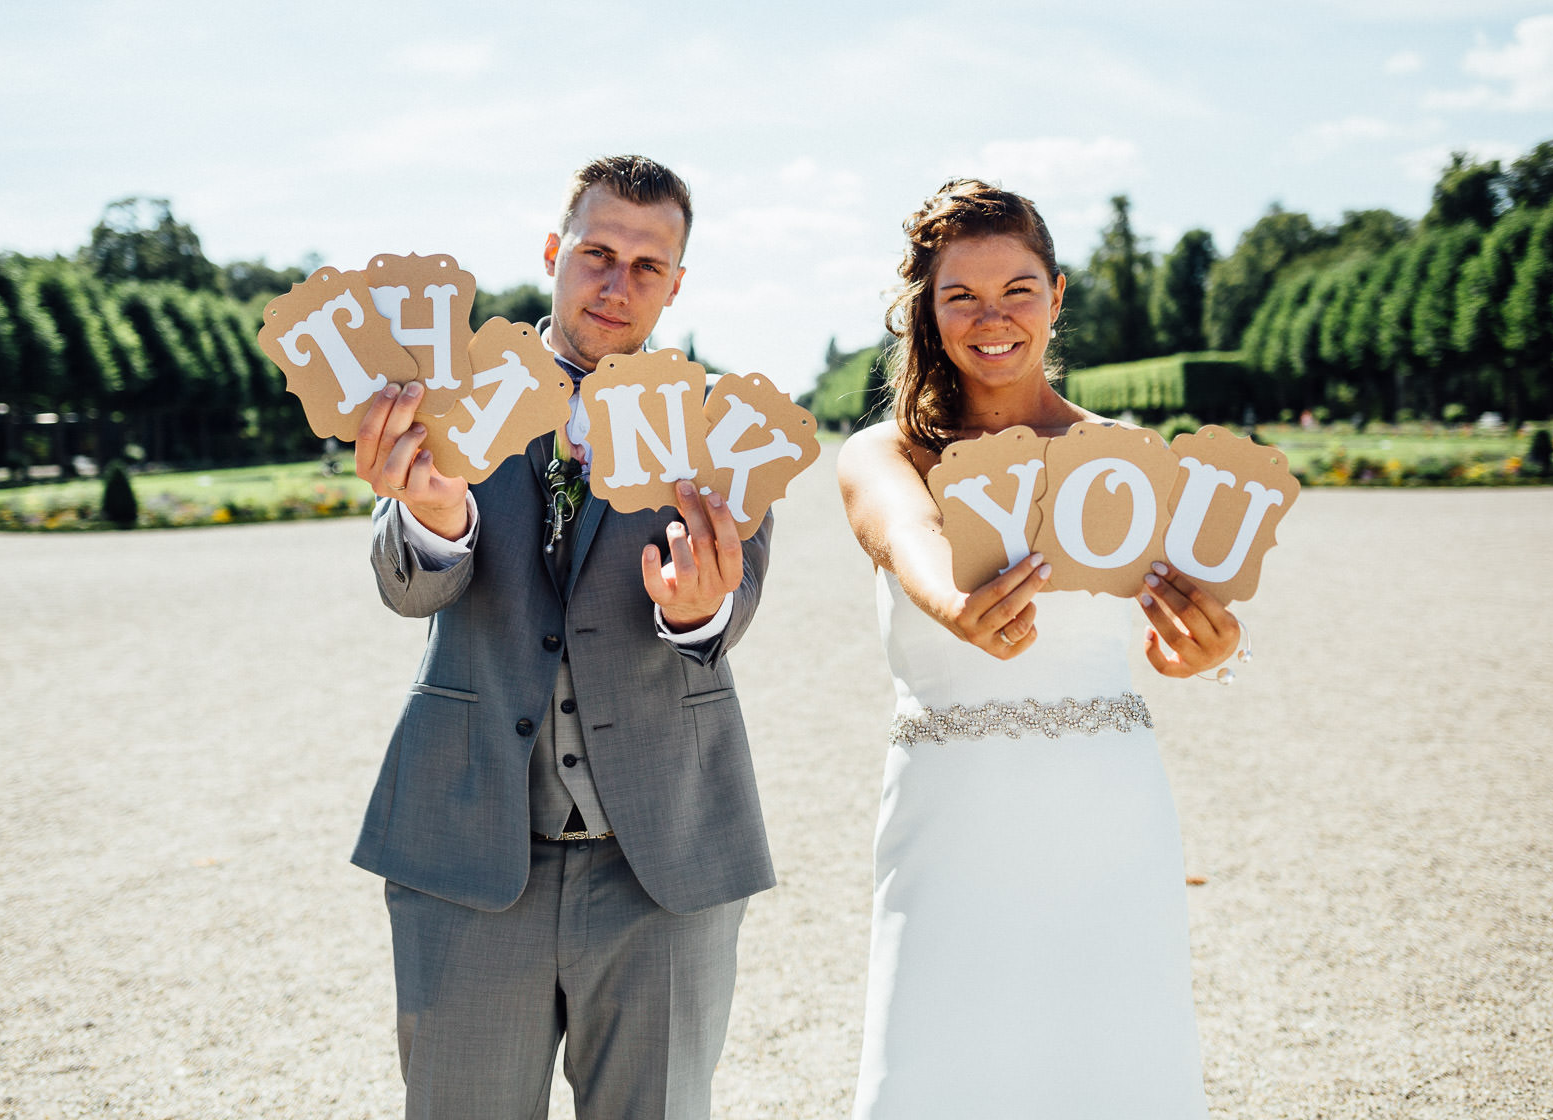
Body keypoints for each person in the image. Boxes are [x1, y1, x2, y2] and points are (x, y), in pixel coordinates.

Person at [348, 155, 775, 1120]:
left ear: (675, 284)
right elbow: (406, 585)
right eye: (595, 253)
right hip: (466, 848)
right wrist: (434, 518)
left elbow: (728, 617)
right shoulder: (450, 390)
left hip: (662, 857)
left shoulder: (718, 426)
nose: (615, 284)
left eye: (646, 265)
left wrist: (697, 605)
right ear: (553, 252)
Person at [836, 179, 1242, 1117]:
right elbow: (909, 542)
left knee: (1112, 1059)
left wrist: (1214, 648)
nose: (993, 317)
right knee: (935, 1058)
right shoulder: (885, 452)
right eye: (960, 296)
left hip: (1110, 812)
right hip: (949, 816)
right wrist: (957, 605)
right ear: (926, 314)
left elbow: (1197, 606)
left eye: (1018, 289)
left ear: (1057, 296)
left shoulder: (1134, 458)